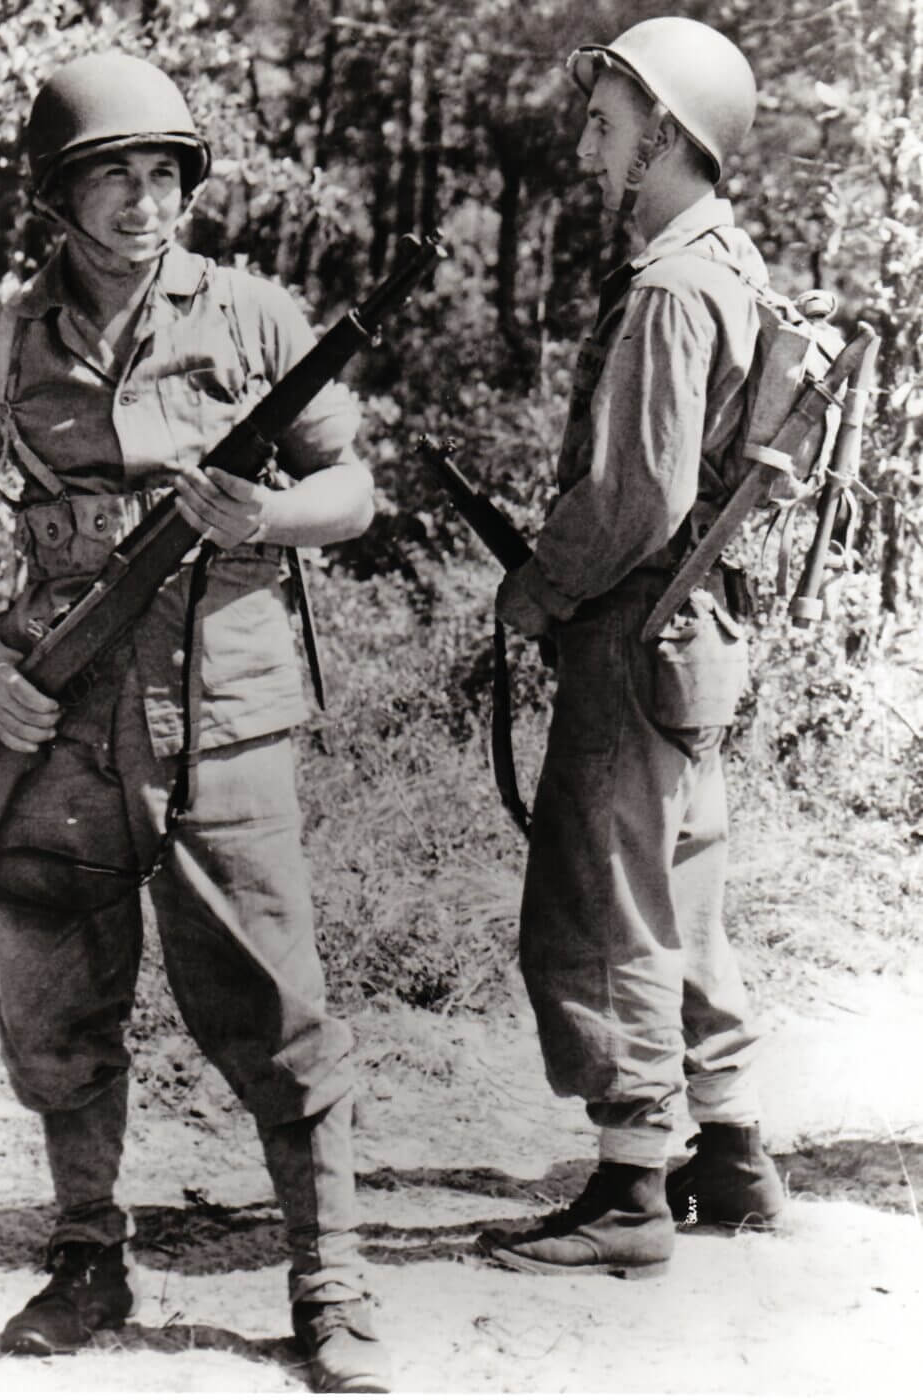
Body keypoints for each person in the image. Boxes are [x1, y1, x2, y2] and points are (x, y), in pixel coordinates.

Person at [0, 50, 391, 1392]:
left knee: (276, 1001)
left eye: (163, 173)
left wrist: (269, 516)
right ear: (61, 196)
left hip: (224, 708)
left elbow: (351, 489)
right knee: (55, 997)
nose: (142, 200)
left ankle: (330, 1279)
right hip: (59, 712)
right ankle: (86, 1255)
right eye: (113, 175)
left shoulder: (252, 318)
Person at [476, 16, 785, 1279]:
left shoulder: (669, 284)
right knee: (684, 897)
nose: (590, 147)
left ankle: (628, 1188)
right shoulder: (734, 263)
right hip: (697, 641)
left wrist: (538, 591)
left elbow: (634, 502)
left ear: (666, 132)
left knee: (602, 909)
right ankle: (732, 1152)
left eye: (607, 124)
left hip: (634, 632)